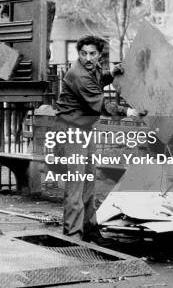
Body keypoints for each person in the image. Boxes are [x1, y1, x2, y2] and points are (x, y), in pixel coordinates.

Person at [55, 35, 140, 241]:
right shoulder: (77, 74)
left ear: (99, 55)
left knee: (88, 182)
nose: (87, 58)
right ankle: (73, 236)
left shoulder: (91, 70)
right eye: (83, 53)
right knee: (76, 186)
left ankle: (90, 230)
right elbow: (100, 103)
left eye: (92, 53)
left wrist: (111, 73)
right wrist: (128, 112)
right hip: (71, 131)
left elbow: (98, 81)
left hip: (84, 129)